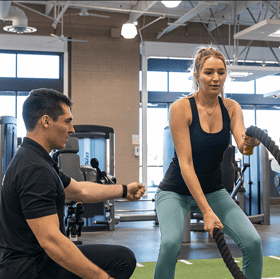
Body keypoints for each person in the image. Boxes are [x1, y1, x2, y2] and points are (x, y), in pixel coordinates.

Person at [0, 88, 146, 279]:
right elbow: (52, 241)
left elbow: (80, 190)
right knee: (120, 262)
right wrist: (100, 277)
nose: (72, 129)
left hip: (34, 263)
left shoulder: (36, 158)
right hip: (30, 269)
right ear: (46, 121)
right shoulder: (34, 169)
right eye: (67, 121)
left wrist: (124, 190)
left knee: (123, 258)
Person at [154, 46, 262, 279]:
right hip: (175, 190)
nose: (216, 78)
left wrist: (251, 142)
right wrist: (206, 212)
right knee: (172, 243)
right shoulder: (181, 108)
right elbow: (186, 164)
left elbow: (244, 148)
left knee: (253, 242)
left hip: (213, 190)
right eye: (209, 72)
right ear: (196, 75)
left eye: (221, 72)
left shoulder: (231, 107)